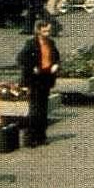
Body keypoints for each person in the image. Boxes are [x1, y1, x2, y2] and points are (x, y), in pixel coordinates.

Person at [15, 17, 61, 147]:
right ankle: (30, 138)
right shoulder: (31, 43)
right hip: (34, 79)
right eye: (45, 31)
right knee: (34, 109)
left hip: (46, 77)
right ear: (39, 31)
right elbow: (20, 58)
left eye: (49, 31)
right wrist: (32, 66)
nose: (48, 33)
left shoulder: (51, 43)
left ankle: (41, 136)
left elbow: (56, 57)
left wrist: (56, 65)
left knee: (43, 108)